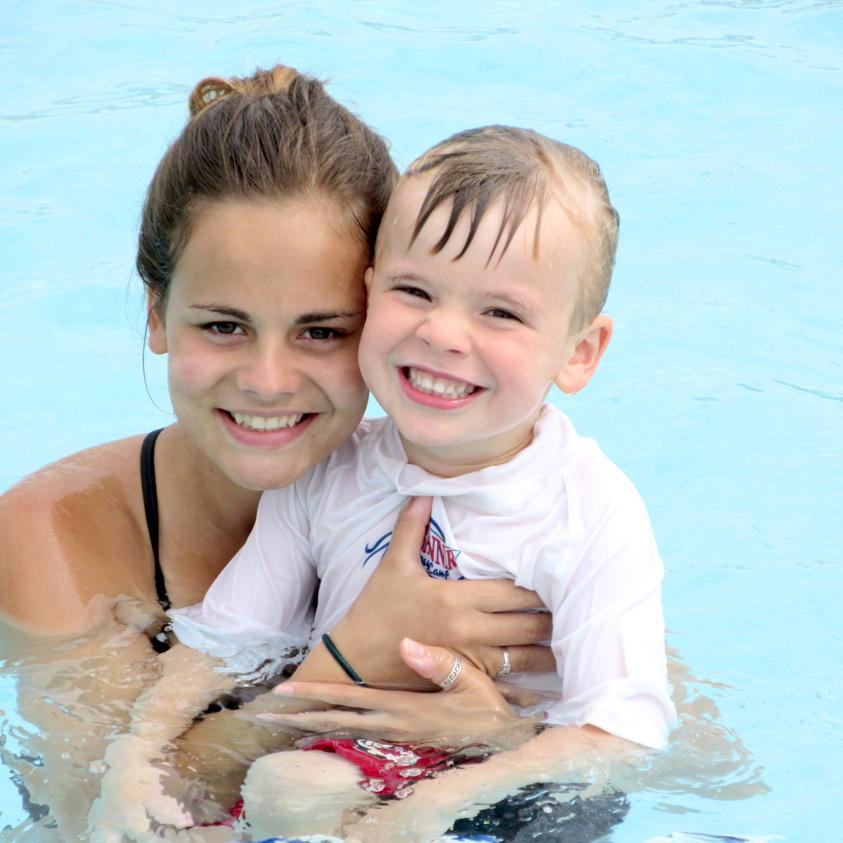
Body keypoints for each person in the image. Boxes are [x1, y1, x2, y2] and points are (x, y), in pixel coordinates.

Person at [0, 68, 556, 841]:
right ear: (157, 312)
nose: (267, 380)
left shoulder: (480, 485)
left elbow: (687, 752)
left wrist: (503, 735)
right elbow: (97, 816)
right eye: (224, 325)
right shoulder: (56, 533)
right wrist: (347, 664)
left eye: (321, 331)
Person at [90, 125, 676, 843]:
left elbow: (619, 731)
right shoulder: (328, 476)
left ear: (579, 352)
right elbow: (227, 641)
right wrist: (132, 761)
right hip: (342, 771)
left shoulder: (589, 510)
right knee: (277, 793)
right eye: (414, 290)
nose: (443, 332)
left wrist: (433, 804)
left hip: (520, 794)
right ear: (369, 295)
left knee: (293, 790)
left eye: (500, 311)